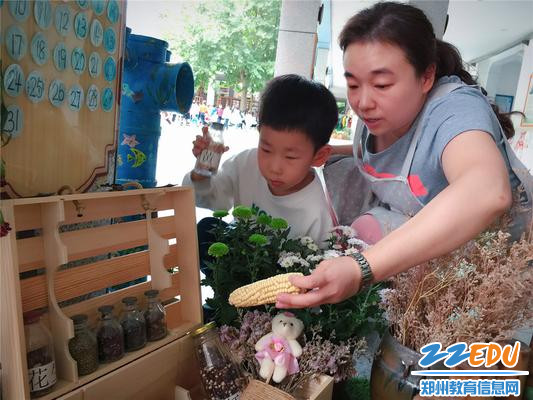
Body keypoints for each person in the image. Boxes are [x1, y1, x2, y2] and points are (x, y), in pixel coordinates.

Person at [276, 2, 532, 309]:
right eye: (353, 83)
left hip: (494, 275)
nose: (363, 102)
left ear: (426, 77)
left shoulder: (454, 109)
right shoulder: (378, 114)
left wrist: (361, 267)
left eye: (382, 84)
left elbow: (487, 192)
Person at [183, 74, 339, 254]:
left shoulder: (317, 212)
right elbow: (214, 202)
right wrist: (202, 172)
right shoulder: (246, 163)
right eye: (266, 149)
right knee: (206, 229)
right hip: (237, 258)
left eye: (290, 157)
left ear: (319, 156)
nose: (274, 167)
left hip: (280, 276)